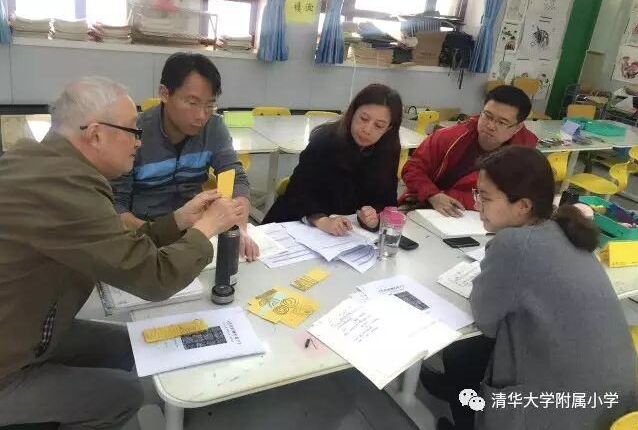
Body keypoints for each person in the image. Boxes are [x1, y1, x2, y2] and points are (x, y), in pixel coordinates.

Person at [0, 77, 246, 429]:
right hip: (10, 363)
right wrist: (207, 228)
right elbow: (155, 278)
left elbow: (115, 243)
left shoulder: (48, 165)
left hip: (30, 327)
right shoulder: (62, 188)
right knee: (123, 395)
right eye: (132, 130)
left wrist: (179, 220)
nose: (139, 141)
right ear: (96, 134)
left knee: (134, 344)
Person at [439, 145, 638, 430]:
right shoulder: (565, 229)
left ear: (523, 205)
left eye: (485, 197)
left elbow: (485, 321)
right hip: (618, 403)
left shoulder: (514, 244)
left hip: (563, 413)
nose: (477, 205)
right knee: (465, 355)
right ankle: (450, 388)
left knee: (463, 353)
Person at [111, 52, 258, 260]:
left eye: (209, 105)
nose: (201, 116)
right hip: (145, 236)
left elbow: (236, 177)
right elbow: (117, 205)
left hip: (198, 232)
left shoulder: (214, 127)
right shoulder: (135, 132)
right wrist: (155, 234)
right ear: (164, 93)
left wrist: (239, 229)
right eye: (192, 103)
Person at [262, 83, 402, 235]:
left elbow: (387, 201)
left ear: (389, 128)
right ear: (353, 112)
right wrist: (321, 220)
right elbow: (298, 193)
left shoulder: (388, 151)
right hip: (295, 224)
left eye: (379, 126)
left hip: (346, 233)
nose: (367, 129)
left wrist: (373, 218)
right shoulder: (325, 140)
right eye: (363, 118)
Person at [399, 85, 538, 217]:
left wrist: (447, 196)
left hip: (476, 216)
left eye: (501, 122)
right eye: (487, 116)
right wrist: (432, 195)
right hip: (424, 203)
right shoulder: (450, 136)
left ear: (518, 127)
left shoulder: (523, 158)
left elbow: (510, 198)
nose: (490, 125)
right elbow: (412, 168)